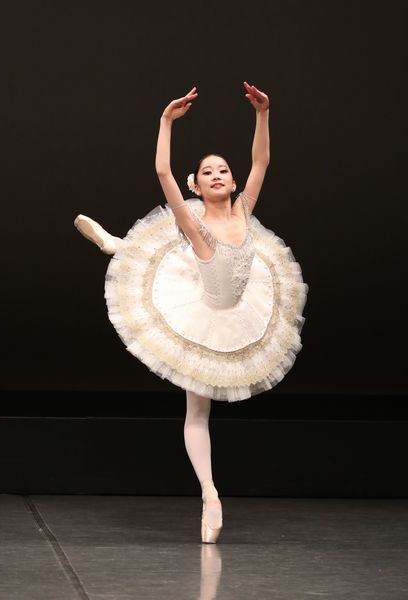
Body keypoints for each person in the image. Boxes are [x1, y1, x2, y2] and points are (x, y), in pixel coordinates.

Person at [74, 82, 309, 544]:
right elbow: (162, 172)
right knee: (197, 410)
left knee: (172, 260)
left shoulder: (244, 211)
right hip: (200, 313)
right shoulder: (193, 222)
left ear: (233, 183)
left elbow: (261, 161)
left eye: (223, 170)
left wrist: (263, 114)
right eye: (207, 172)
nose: (217, 175)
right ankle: (210, 494)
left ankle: (119, 246)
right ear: (196, 186)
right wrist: (166, 122)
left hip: (239, 307)